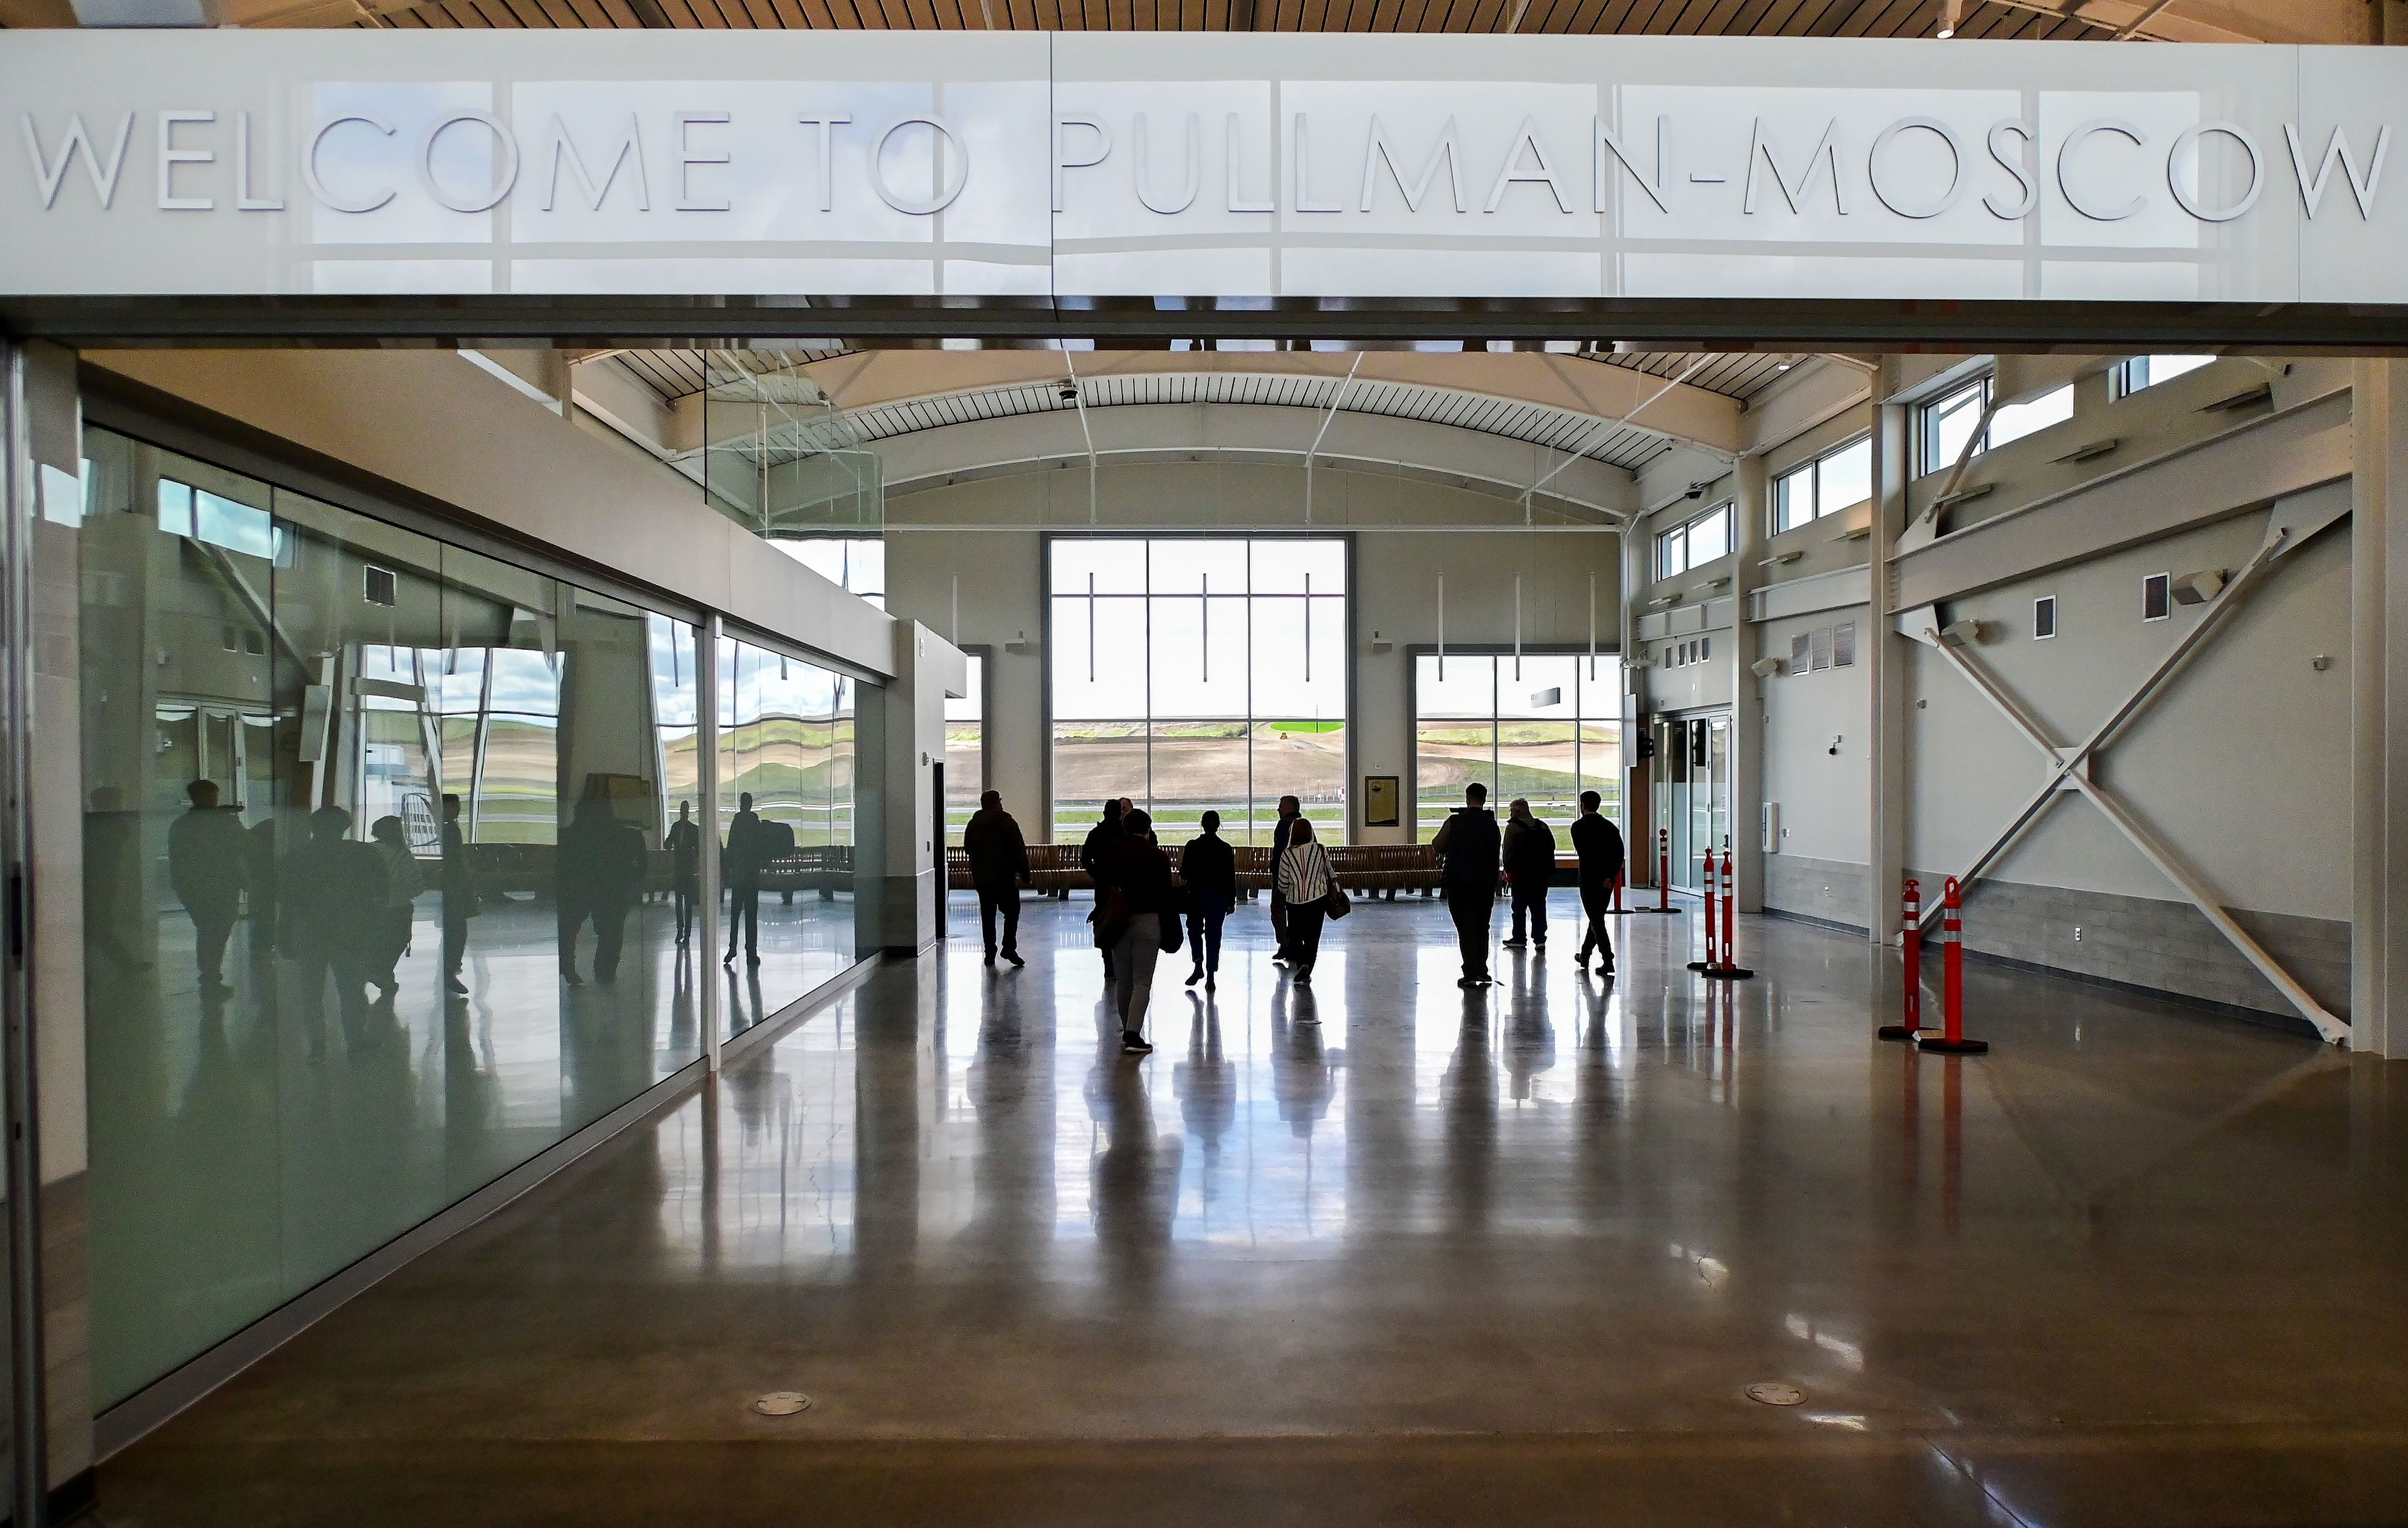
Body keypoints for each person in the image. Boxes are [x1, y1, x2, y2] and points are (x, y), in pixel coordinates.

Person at [283, 805, 386, 1053]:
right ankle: (355, 1039)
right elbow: (379, 894)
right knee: (352, 991)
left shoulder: (297, 857)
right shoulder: (363, 854)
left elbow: (288, 900)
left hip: (311, 932)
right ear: (345, 827)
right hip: (351, 933)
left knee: (311, 991)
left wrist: (286, 933)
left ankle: (317, 1043)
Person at [1099, 808, 1175, 1056]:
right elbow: (1166, 894)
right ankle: (1133, 1033)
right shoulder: (1157, 856)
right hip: (1148, 920)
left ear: (1125, 827)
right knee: (1142, 981)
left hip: (1118, 921)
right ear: (1148, 829)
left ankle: (1126, 1029)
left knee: (1123, 979)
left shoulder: (1112, 852)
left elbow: (1103, 884)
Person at [166, 779, 246, 997]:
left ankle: (210, 976)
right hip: (221, 884)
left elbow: (177, 858)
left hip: (193, 886)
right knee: (217, 931)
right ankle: (211, 976)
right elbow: (243, 845)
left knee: (207, 930)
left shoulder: (182, 824)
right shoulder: (224, 823)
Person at [561, 785, 646, 984]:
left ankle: (570, 967)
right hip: (612, 890)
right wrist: (634, 885)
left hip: (583, 888)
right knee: (611, 932)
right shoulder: (627, 836)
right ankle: (604, 971)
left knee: (572, 929)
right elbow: (640, 865)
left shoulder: (570, 837)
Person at [1433, 782, 1501, 989]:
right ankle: (1482, 969)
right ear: (1485, 799)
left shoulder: (1455, 822)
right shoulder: (1492, 825)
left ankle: (1470, 972)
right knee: (1482, 926)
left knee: (1465, 927)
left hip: (1459, 882)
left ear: (1467, 798)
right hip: (1486, 883)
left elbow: (1437, 846)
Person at [963, 789, 1031, 967]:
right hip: (1004, 877)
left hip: (983, 879)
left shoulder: (973, 825)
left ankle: (990, 952)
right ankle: (1008, 947)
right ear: (996, 803)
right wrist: (1025, 873)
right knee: (1012, 911)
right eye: (1000, 801)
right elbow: (1019, 850)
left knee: (988, 915)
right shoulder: (1007, 824)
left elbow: (968, 848)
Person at [366, 814, 424, 1002]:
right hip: (398, 908)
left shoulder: (368, 851)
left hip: (371, 908)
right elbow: (416, 886)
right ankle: (383, 973)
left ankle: (379, 974)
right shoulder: (404, 855)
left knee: (376, 942)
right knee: (397, 942)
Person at [1180, 810, 1238, 991]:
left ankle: (1198, 964)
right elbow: (1231, 876)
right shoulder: (1225, 848)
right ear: (1219, 825)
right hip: (1218, 898)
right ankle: (1211, 975)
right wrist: (1232, 900)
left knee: (1195, 931)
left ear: (1202, 825)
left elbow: (1184, 873)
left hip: (1196, 896)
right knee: (1214, 935)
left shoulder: (1192, 846)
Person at [1275, 817, 1335, 989]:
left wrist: (1287, 890)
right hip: (1318, 899)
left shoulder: (1287, 854)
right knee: (1313, 937)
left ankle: (1302, 964)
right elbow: (1330, 872)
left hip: (1295, 902)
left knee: (1294, 934)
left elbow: (1282, 883)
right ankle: (1308, 967)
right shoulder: (1321, 850)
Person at [1571, 791, 1624, 977]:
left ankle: (1608, 959)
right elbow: (1619, 854)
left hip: (1588, 879)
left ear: (1583, 805)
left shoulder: (1577, 827)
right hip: (1606, 881)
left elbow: (1584, 853)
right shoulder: (1610, 827)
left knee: (1597, 920)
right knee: (1596, 917)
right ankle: (1585, 955)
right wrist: (1610, 876)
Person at [1501, 797, 1557, 951]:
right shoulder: (1542, 826)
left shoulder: (1513, 827)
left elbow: (1508, 851)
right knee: (1539, 906)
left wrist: (1507, 870)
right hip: (1541, 875)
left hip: (1521, 875)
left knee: (1519, 907)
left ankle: (1519, 938)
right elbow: (1552, 846)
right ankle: (1540, 939)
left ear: (1516, 811)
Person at [1080, 797, 1126, 981]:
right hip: (1124, 884)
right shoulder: (1125, 834)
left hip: (1103, 884)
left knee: (1104, 920)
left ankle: (1108, 965)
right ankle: (1121, 962)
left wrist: (1096, 875)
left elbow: (1085, 858)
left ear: (1105, 813)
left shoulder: (1096, 834)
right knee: (1124, 919)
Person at [724, 791, 766, 967]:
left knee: (735, 914)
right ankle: (751, 952)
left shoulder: (737, 821)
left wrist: (728, 869)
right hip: (751, 876)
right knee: (751, 916)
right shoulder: (754, 821)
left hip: (740, 875)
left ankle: (733, 947)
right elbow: (759, 846)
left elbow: (731, 845)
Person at [438, 794, 474, 997]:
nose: (458, 810)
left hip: (455, 885)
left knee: (456, 930)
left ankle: (451, 969)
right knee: (458, 931)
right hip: (456, 886)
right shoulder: (451, 829)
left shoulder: (448, 828)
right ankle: (451, 970)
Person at [1267, 794, 1302, 964]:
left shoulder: (1283, 825)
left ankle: (1284, 944)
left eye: (1281, 806)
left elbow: (1280, 850)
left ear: (1289, 808)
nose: (1278, 809)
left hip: (1282, 875)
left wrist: (1274, 868)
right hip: (1301, 878)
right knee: (1296, 911)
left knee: (1278, 910)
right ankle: (1297, 944)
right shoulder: (1305, 826)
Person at [665, 801, 701, 945]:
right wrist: (667, 844)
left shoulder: (693, 829)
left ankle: (687, 934)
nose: (683, 813)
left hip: (688, 870)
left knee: (687, 904)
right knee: (680, 903)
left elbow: (698, 849)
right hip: (680, 869)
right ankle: (681, 930)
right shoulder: (676, 827)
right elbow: (669, 842)